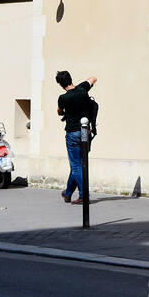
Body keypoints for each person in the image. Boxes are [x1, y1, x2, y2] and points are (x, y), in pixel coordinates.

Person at [56, 69, 97, 203]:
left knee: (76, 166)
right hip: (86, 132)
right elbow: (93, 78)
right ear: (70, 78)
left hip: (73, 133)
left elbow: (59, 111)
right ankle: (67, 193)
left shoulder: (63, 98)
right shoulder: (82, 90)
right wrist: (81, 87)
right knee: (78, 165)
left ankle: (84, 195)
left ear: (60, 84)